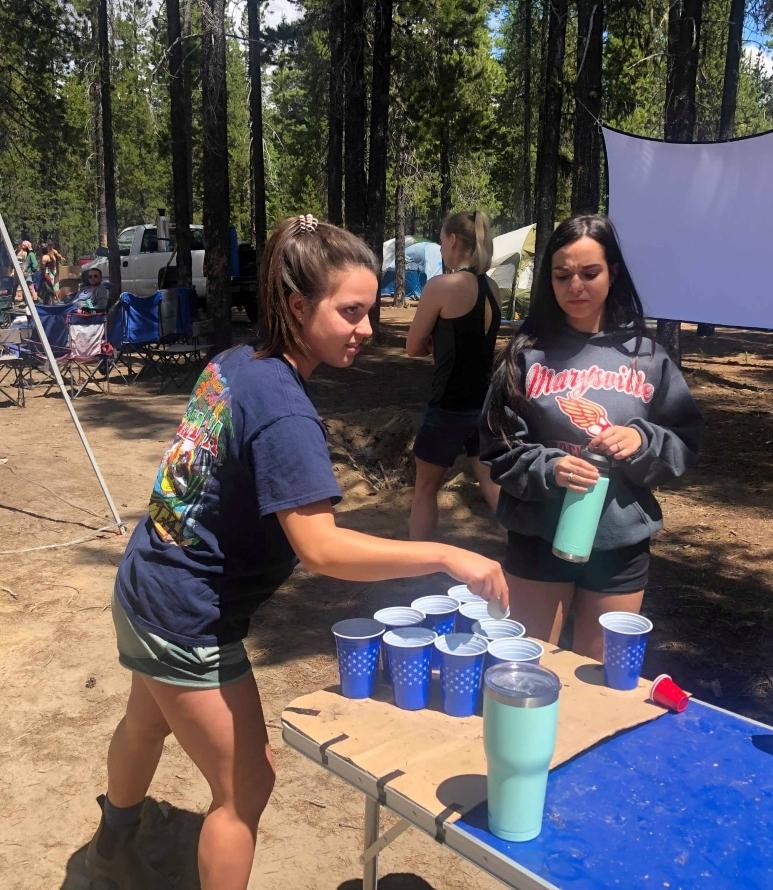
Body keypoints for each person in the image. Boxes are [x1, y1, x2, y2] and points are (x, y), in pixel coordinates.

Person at [84, 214, 508, 890]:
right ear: (296, 305)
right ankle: (116, 849)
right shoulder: (283, 408)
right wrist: (447, 556)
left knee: (146, 721)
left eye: (369, 311)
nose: (367, 328)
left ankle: (113, 845)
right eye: (351, 312)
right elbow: (322, 550)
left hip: (145, 584)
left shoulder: (237, 363)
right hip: (185, 617)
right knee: (245, 789)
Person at [480, 214, 702, 661]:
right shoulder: (525, 355)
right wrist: (550, 467)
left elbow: (684, 441)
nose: (575, 285)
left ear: (612, 273)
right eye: (562, 275)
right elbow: (498, 449)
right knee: (527, 665)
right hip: (538, 536)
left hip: (619, 542)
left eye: (589, 273)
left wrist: (644, 441)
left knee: (601, 681)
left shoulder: (647, 356)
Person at [405, 210, 501, 540]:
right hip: (484, 404)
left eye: (441, 241)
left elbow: (413, 346)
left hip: (448, 405)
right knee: (492, 484)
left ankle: (418, 564)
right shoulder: (493, 289)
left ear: (451, 240)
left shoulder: (442, 286)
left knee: (425, 489)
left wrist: (436, 343)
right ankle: (527, 560)